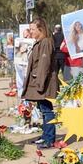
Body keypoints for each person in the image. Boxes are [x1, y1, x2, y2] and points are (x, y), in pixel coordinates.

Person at [22, 18, 59, 149]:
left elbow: (44, 64)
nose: (30, 31)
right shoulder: (40, 42)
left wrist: (40, 83)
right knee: (43, 109)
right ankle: (45, 135)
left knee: (47, 110)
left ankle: (49, 139)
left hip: (44, 82)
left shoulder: (46, 42)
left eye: (32, 29)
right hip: (40, 81)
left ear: (40, 29)